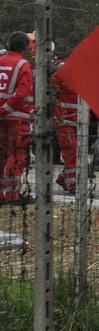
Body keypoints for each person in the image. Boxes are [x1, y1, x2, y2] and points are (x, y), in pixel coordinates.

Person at [0, 33, 33, 204]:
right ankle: (12, 195)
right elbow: (22, 92)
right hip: (16, 118)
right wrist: (5, 109)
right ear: (25, 47)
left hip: (2, 118)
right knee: (16, 155)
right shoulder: (23, 64)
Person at [50, 55, 79, 195]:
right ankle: (72, 184)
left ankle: (63, 178)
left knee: (77, 153)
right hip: (65, 120)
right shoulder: (62, 73)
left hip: (79, 121)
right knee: (71, 151)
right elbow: (51, 94)